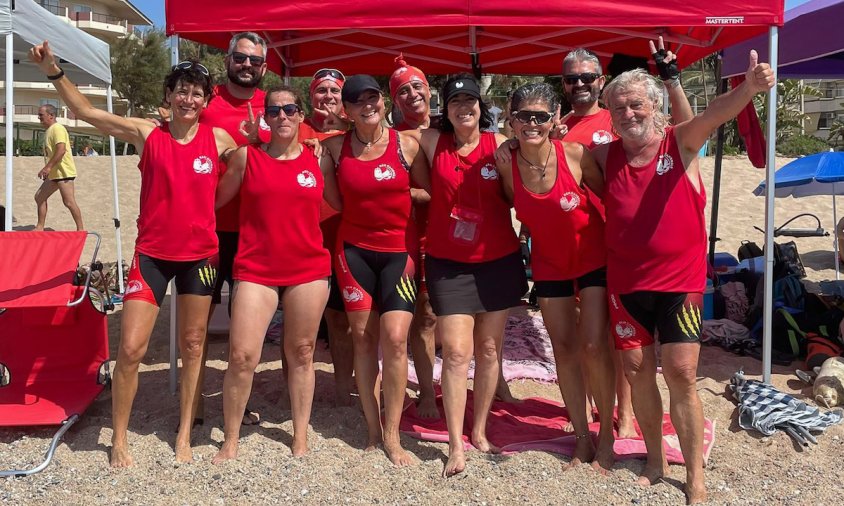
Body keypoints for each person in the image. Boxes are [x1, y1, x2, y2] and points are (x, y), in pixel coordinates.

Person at [30, 41, 237, 467]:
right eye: (182, 89)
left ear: (206, 100)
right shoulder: (148, 133)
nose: (188, 98)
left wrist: (211, 206)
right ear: (169, 94)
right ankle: (119, 438)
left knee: (194, 344)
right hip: (153, 254)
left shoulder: (218, 138)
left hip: (200, 256)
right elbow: (88, 114)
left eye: (197, 92)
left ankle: (184, 434)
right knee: (129, 349)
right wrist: (53, 68)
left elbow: (250, 164)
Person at [592, 52, 774, 503]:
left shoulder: (679, 142)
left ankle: (694, 476)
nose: (628, 113)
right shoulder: (603, 155)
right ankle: (655, 459)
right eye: (618, 107)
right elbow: (555, 161)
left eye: (636, 104)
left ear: (656, 105)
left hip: (679, 285)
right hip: (626, 286)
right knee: (636, 372)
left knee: (680, 373)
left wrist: (749, 88)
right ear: (609, 116)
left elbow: (714, 114)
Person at [496, 82, 617, 471]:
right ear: (512, 121)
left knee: (595, 346)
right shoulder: (506, 164)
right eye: (524, 116)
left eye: (541, 116)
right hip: (550, 267)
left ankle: (608, 439)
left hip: (593, 260)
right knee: (563, 350)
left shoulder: (575, 155)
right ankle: (582, 438)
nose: (533, 123)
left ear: (554, 119)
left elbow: (612, 201)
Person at [212, 85, 335, 462]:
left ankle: (299, 435)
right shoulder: (247, 158)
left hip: (308, 268)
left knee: (301, 352)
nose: (282, 116)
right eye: (275, 111)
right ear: (265, 119)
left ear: (301, 116)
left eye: (290, 110)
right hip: (256, 268)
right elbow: (212, 203)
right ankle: (231, 438)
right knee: (242, 355)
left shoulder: (320, 158)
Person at [413, 74, 527, 477]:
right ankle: (455, 444)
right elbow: (388, 135)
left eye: (471, 100)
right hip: (449, 263)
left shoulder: (500, 147)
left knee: (491, 349)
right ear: (446, 107)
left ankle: (479, 431)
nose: (465, 107)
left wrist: (508, 168)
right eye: (456, 101)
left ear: (482, 105)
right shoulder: (430, 141)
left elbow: (516, 199)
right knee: (458, 352)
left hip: (497, 260)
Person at [319, 74, 429, 466]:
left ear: (383, 102)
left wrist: (403, 193)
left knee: (396, 339)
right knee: (363, 340)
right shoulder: (333, 148)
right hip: (353, 254)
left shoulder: (407, 145)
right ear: (346, 111)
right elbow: (331, 199)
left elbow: (429, 191)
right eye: (358, 101)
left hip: (399, 252)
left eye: (373, 98)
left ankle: (393, 433)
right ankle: (371, 427)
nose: (368, 105)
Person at [197, 31, 271, 426]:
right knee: (199, 321)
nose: (247, 65)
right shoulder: (206, 102)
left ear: (264, 66)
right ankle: (193, 400)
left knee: (247, 326)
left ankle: (238, 400)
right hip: (209, 227)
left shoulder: (275, 106)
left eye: (254, 61)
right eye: (240, 58)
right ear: (228, 59)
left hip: (256, 231)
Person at [297, 68, 355, 406]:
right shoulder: (297, 128)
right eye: (322, 91)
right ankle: (295, 387)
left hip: (343, 235)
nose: (328, 97)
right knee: (299, 321)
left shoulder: (355, 132)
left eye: (335, 91)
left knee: (341, 317)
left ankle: (342, 387)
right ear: (310, 97)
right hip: (304, 236)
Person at [388, 55, 439, 418]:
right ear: (394, 102)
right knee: (424, 318)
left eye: (416, 86)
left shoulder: (452, 127)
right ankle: (427, 392)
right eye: (402, 91)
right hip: (414, 237)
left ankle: (496, 384)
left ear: (429, 90)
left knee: (480, 315)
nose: (412, 94)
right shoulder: (394, 140)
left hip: (458, 237)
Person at [34, 104, 84, 231]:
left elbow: (61, 150)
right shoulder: (49, 130)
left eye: (41, 115)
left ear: (51, 115)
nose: (39, 117)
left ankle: (81, 229)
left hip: (64, 172)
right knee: (39, 197)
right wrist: (48, 169)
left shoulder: (57, 129)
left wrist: (47, 167)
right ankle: (40, 227)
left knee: (68, 202)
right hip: (54, 173)